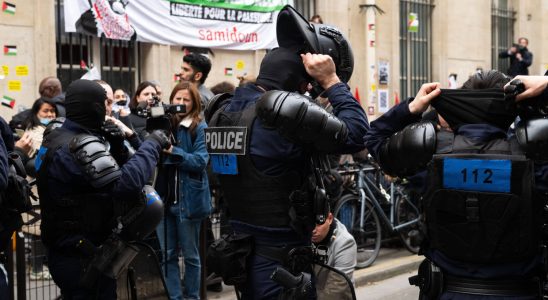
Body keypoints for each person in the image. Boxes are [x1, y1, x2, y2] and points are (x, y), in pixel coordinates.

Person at [205, 6, 368, 299]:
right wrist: (331, 81)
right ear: (300, 84)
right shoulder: (282, 117)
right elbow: (357, 134)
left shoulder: (223, 110)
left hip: (240, 254)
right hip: (279, 262)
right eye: (309, 89)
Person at [364, 70, 548, 299]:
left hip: (448, 292)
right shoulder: (535, 162)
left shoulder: (431, 156)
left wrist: (412, 108)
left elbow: (374, 140)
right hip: (518, 292)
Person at [36, 79, 171, 299]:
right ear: (95, 107)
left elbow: (99, 180)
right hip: (81, 258)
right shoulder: (78, 145)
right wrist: (152, 142)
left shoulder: (57, 134)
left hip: (71, 251)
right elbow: (125, 186)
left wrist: (117, 145)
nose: (110, 108)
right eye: (105, 103)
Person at [155, 81, 211, 300]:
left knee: (190, 256)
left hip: (187, 202)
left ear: (194, 102)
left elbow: (199, 161)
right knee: (166, 255)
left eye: (186, 99)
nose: (181, 103)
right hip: (163, 200)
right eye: (177, 98)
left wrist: (172, 151)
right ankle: (175, 297)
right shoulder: (162, 124)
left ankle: (192, 297)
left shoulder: (199, 127)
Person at [312, 212, 357, 295]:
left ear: (329, 218)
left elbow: (335, 290)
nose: (313, 230)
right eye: (310, 224)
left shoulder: (345, 242)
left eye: (319, 224)